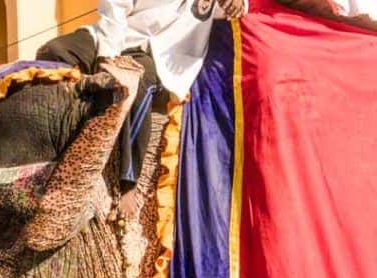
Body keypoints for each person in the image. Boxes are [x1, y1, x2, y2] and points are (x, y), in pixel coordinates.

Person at [36, 0, 247, 219]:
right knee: (54, 51)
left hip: (164, 59)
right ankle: (51, 146)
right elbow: (115, 7)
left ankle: (128, 182)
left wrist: (240, 3)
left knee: (136, 83)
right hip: (119, 38)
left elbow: (244, 7)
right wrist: (107, 56)